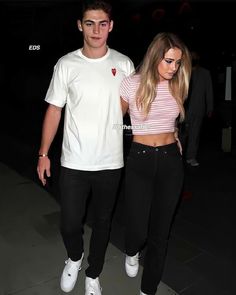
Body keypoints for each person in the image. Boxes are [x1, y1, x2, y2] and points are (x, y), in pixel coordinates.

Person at [36, 1, 134, 294]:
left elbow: (127, 110)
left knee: (103, 223)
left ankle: (93, 272)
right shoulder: (67, 64)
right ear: (80, 25)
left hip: (110, 162)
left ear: (111, 26)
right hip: (74, 162)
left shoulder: (124, 64)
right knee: (69, 223)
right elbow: (54, 110)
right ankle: (74, 257)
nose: (96, 30)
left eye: (102, 23)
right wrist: (43, 154)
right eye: (89, 23)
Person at [120, 32, 191, 295]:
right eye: (169, 61)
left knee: (161, 233)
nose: (174, 68)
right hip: (140, 158)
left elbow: (171, 119)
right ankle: (131, 250)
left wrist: (173, 135)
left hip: (171, 160)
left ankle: (147, 290)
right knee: (138, 227)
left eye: (177, 63)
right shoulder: (131, 84)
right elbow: (115, 120)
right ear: (154, 57)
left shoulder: (177, 84)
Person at [184, 51, 214, 166]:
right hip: (183, 110)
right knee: (181, 135)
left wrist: (209, 107)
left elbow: (209, 91)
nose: (193, 57)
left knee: (194, 135)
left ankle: (191, 157)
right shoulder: (183, 71)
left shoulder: (205, 73)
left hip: (198, 109)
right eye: (191, 55)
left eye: (195, 55)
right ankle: (177, 157)